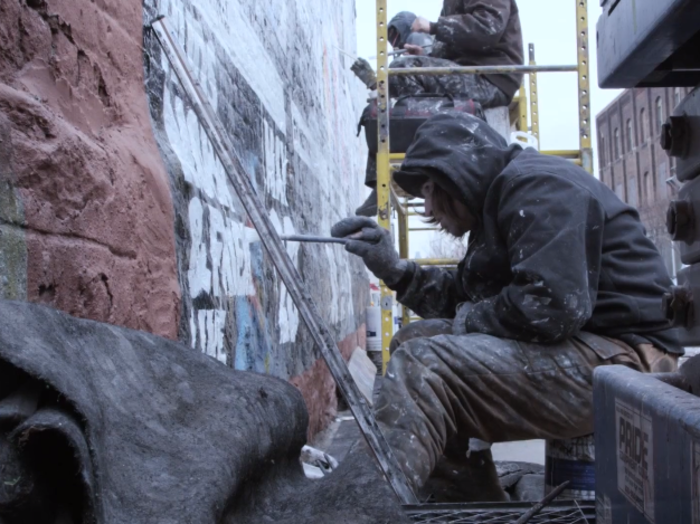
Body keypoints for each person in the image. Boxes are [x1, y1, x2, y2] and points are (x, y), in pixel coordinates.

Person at [331, 112, 682, 500]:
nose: (427, 210)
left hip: (630, 364)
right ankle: (468, 503)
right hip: (595, 351)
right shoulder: (499, 207)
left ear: (458, 173)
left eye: (429, 191)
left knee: (421, 366)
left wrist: (466, 319)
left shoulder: (538, 187)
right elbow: (468, 300)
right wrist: (397, 271)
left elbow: (549, 306)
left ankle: (365, 508)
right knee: (412, 340)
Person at [354, 1, 524, 218]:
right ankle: (385, 181)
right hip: (471, 71)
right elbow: (454, 45)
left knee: (404, 72)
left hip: (491, 76)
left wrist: (434, 27)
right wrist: (428, 53)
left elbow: (487, 28)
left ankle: (419, 168)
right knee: (399, 78)